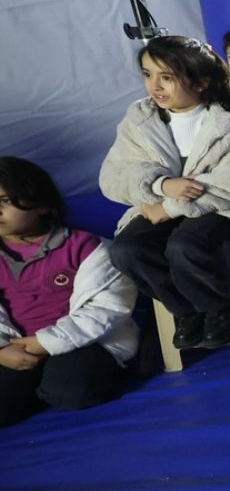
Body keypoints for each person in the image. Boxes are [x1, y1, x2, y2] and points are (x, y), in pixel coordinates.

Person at [102, 36, 230, 351]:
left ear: (201, 82)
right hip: (156, 203)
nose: (155, 85)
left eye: (167, 77)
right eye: (148, 74)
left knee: (184, 245)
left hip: (218, 209)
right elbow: (113, 175)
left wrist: (170, 208)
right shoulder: (140, 119)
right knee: (126, 250)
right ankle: (186, 310)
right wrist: (160, 185)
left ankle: (216, 308)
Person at [0, 158, 137, 425]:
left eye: (5, 200)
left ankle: (51, 382)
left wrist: (45, 343)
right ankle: (32, 384)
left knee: (71, 389)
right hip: (15, 348)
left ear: (42, 205)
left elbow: (107, 307)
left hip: (82, 343)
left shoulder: (87, 247)